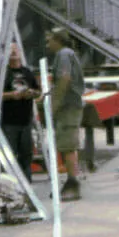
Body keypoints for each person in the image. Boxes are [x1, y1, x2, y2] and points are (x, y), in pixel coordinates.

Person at [45, 27, 85, 202]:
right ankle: (70, 181)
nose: (47, 45)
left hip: (68, 106)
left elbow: (64, 79)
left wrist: (54, 104)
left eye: (49, 41)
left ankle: (73, 183)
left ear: (57, 40)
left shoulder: (63, 54)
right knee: (66, 145)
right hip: (68, 105)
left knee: (68, 146)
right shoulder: (66, 54)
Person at [0, 43, 40, 182]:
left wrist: (32, 93)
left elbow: (38, 92)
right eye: (10, 50)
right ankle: (9, 184)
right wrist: (12, 95)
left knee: (26, 155)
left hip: (26, 121)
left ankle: (27, 184)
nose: (13, 52)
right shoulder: (2, 73)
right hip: (8, 122)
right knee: (9, 156)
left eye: (15, 49)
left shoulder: (28, 72)